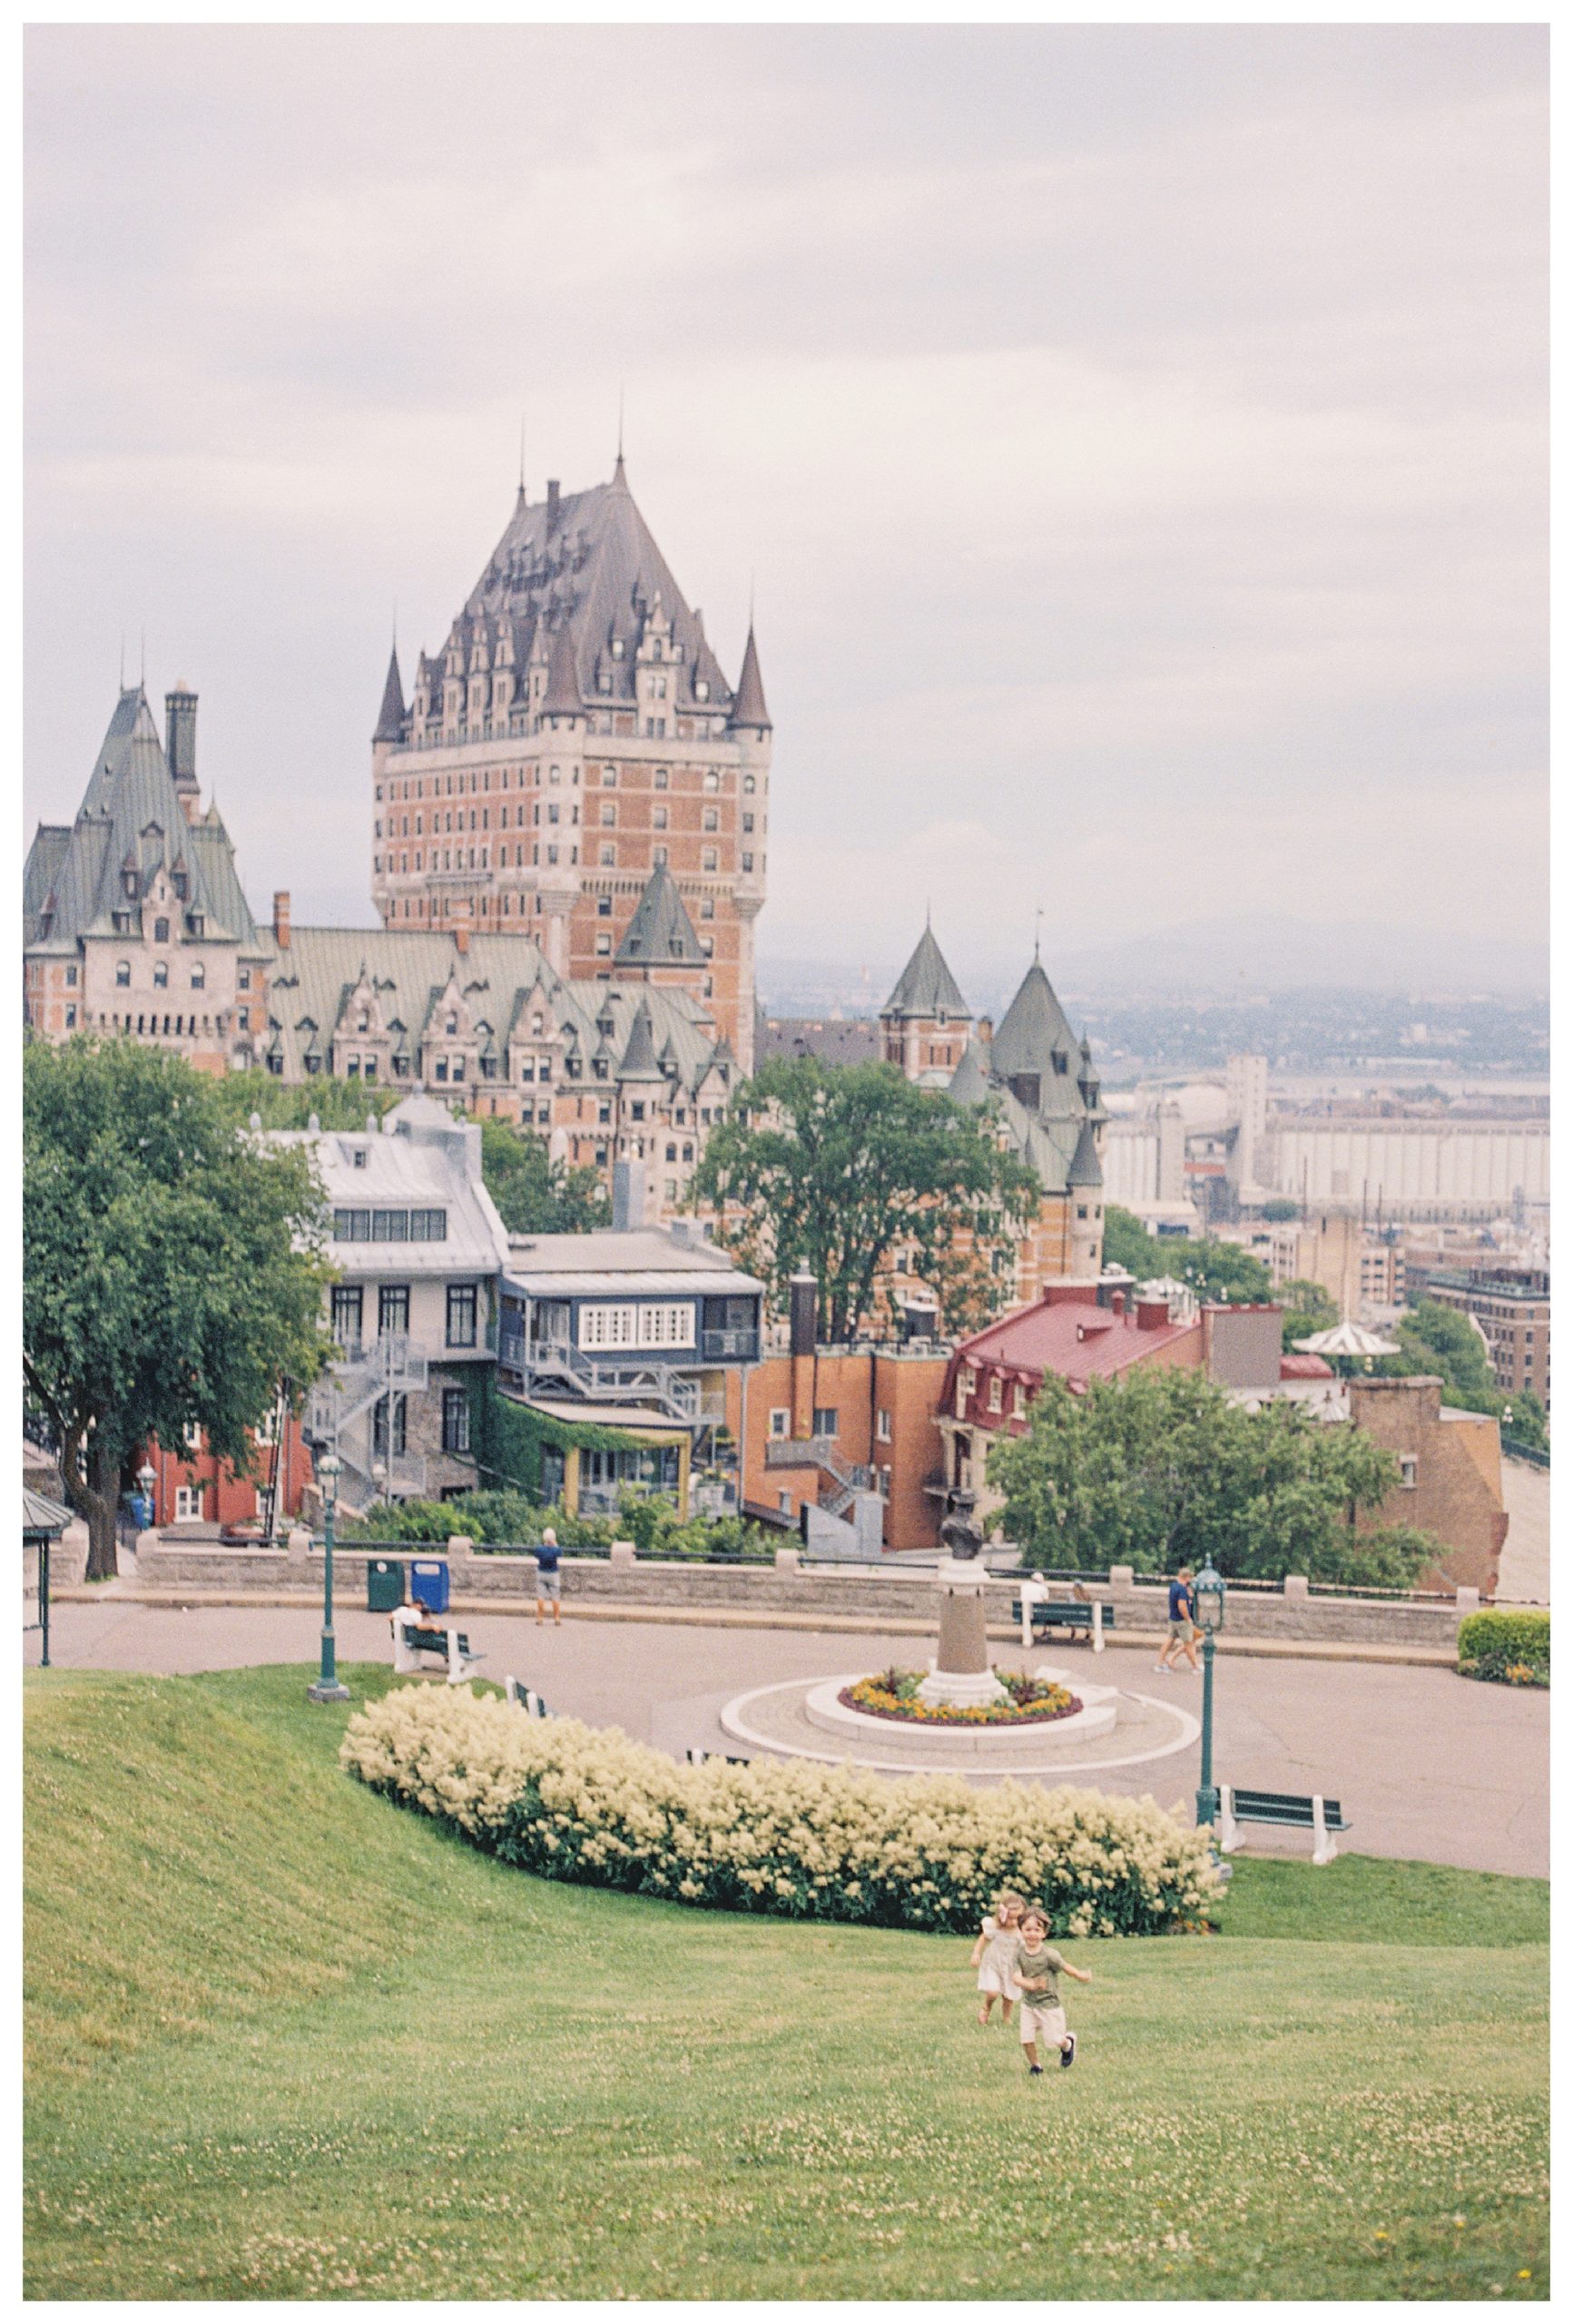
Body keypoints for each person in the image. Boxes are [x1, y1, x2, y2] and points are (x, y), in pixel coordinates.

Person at [1010, 1905, 1092, 2075]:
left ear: (1044, 1933)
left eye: (1037, 1930)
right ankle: (1036, 2066)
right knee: (1026, 2038)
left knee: (1054, 2040)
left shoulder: (1049, 1955)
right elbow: (1016, 1977)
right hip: (1029, 2005)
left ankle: (1068, 2044)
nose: (1032, 1933)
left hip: (1049, 2005)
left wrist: (1080, 1975)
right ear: (1021, 1931)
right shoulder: (1018, 1954)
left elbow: (1065, 1967)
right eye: (1028, 1929)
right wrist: (1031, 1984)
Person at [969, 1891, 1025, 2026]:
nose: (1013, 1922)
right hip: (993, 1964)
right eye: (1010, 1918)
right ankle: (986, 2007)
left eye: (1017, 1918)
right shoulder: (995, 1928)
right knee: (993, 1992)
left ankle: (1006, 2017)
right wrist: (976, 1953)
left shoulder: (1021, 1933)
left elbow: (1026, 1949)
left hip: (1011, 1966)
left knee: (1009, 1995)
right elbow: (983, 1938)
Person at [1155, 1565, 1201, 1675]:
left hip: (1173, 1618)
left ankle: (1159, 1663)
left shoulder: (1174, 1586)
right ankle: (1195, 1666)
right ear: (1187, 1577)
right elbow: (1182, 1606)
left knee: (1170, 1640)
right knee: (1189, 1643)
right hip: (1182, 1621)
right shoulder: (1182, 1589)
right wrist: (1188, 1619)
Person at [535, 1527, 563, 1627]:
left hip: (541, 1573)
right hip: (553, 1574)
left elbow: (536, 1554)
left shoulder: (539, 1549)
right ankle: (557, 1618)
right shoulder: (556, 1550)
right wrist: (555, 1544)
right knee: (555, 1596)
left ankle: (540, 1618)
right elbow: (560, 1553)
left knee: (541, 1597)